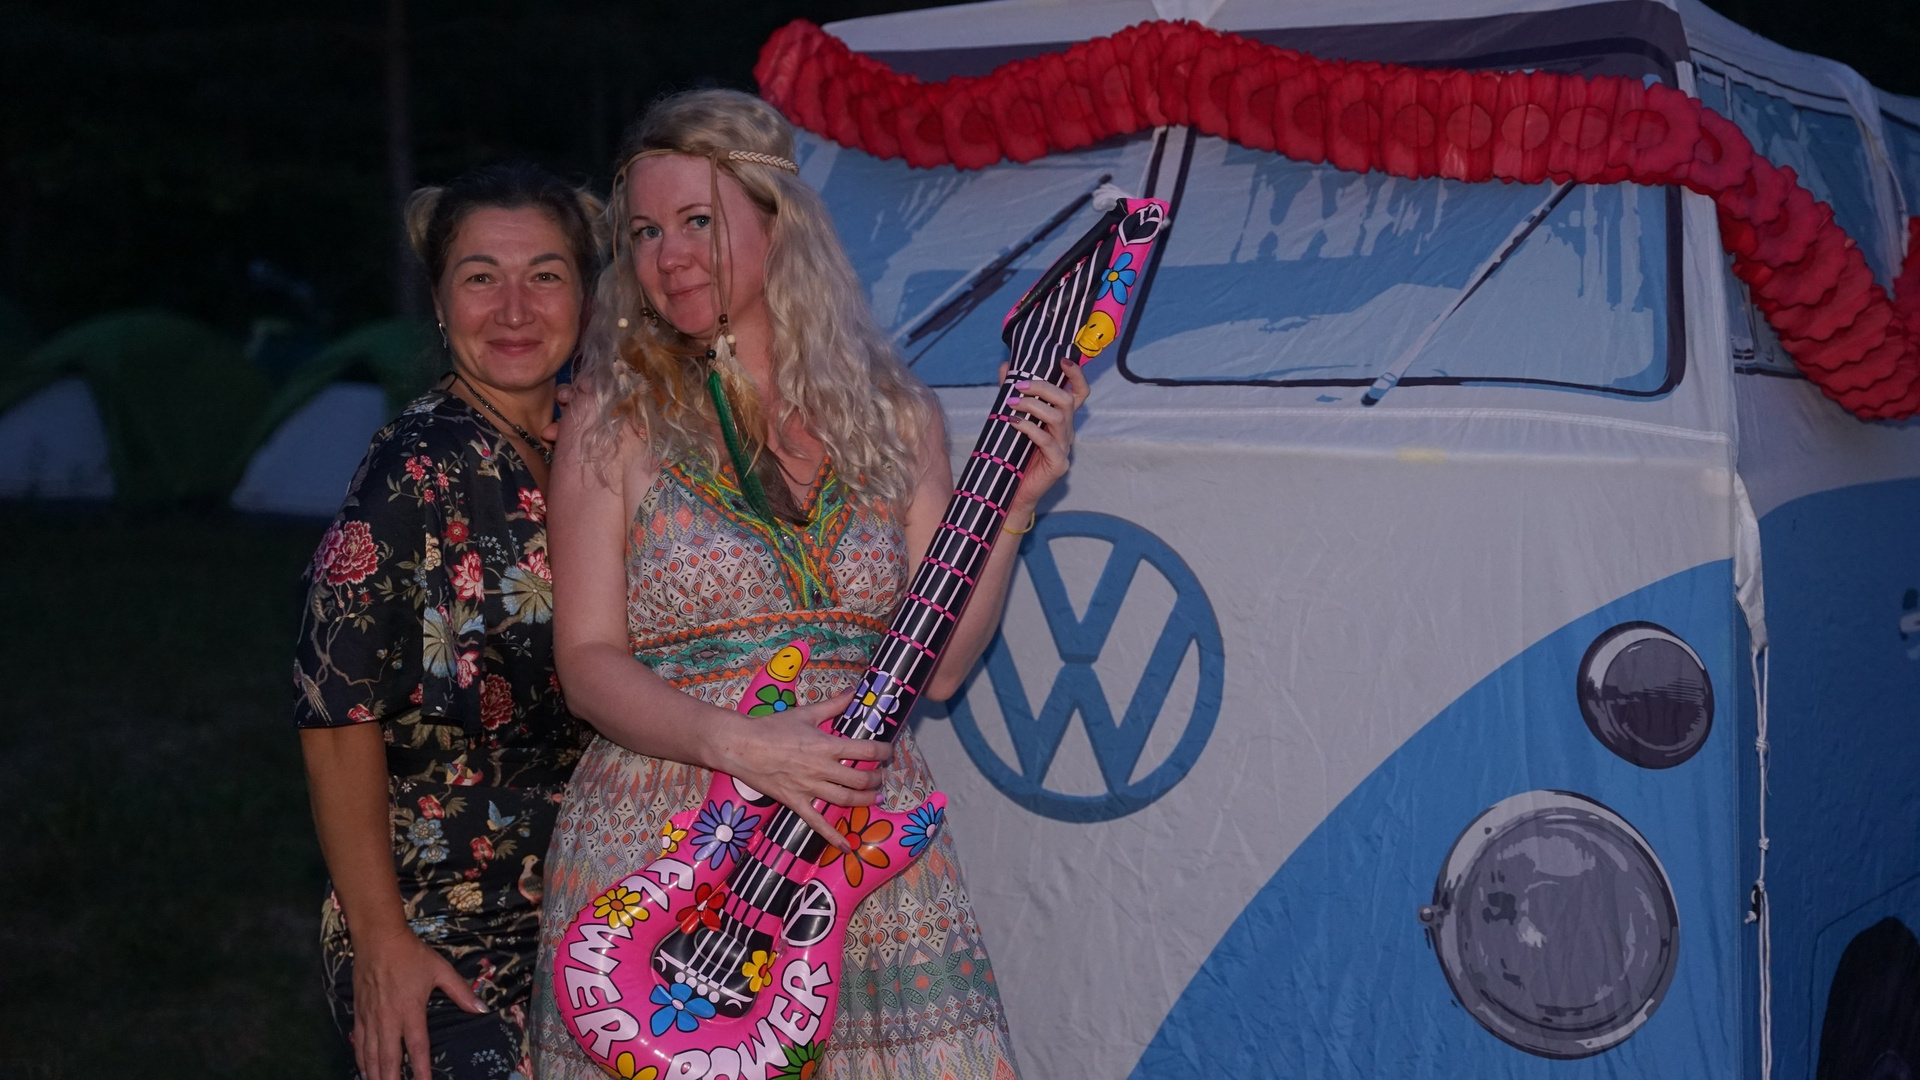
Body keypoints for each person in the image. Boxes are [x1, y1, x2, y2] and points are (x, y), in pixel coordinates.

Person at [531, 89, 1087, 1079]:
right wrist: (740, 744)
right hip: (675, 842)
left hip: (852, 847)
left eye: (697, 221)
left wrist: (1012, 505)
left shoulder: (896, 414)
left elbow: (942, 669)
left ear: (778, 222)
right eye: (645, 232)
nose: (668, 256)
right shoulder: (613, 416)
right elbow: (586, 662)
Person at [294, 161, 603, 1080]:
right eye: (480, 277)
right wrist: (382, 942)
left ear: (587, 298)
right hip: (446, 919)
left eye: (544, 275)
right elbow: (332, 710)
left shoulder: (600, 446)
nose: (514, 309)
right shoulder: (416, 466)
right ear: (438, 302)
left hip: (601, 902)